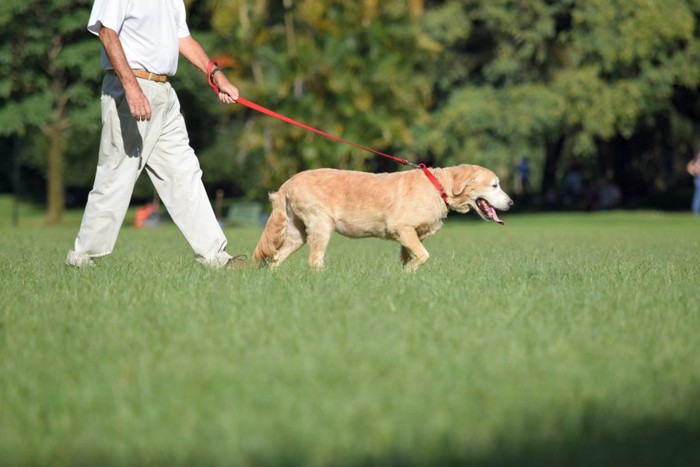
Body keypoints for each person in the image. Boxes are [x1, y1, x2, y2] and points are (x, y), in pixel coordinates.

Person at [66, 0, 247, 269]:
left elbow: (182, 38)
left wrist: (215, 74)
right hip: (131, 86)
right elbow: (107, 32)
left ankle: (215, 256)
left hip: (164, 93)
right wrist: (131, 87)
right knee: (116, 174)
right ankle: (82, 257)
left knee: (184, 172)